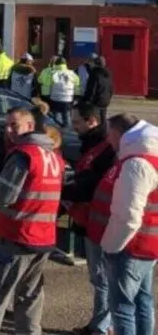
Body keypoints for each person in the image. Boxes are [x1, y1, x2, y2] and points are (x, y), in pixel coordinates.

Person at [0, 107, 63, 335]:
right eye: (7, 125)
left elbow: (5, 196)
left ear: (30, 126)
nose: (8, 130)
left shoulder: (23, 155)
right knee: (30, 297)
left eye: (14, 125)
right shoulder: (54, 157)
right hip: (43, 237)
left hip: (15, 236)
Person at [87, 114, 158, 335]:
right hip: (148, 244)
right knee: (143, 300)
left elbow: (128, 216)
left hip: (131, 246)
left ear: (118, 134)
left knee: (123, 308)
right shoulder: (152, 157)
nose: (108, 139)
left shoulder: (136, 164)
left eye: (110, 134)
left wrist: (110, 247)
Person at [61, 104, 115, 335]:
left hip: (100, 221)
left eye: (77, 122)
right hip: (89, 219)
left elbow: (94, 182)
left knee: (102, 277)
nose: (73, 128)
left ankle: (102, 327)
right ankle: (100, 323)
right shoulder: (92, 145)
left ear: (91, 121)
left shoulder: (105, 149)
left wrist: (68, 190)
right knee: (98, 277)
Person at [40, 56, 80, 128]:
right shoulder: (71, 73)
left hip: (55, 99)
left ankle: (55, 127)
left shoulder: (53, 73)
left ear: (56, 64)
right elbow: (77, 84)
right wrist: (76, 96)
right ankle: (66, 127)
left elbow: (46, 85)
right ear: (65, 64)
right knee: (66, 115)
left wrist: (46, 95)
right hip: (68, 100)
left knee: (54, 115)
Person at [79, 56, 113, 125]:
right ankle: (104, 131)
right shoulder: (108, 74)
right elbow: (111, 89)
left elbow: (91, 89)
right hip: (105, 101)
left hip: (96, 101)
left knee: (94, 120)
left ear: (95, 64)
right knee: (103, 119)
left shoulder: (94, 73)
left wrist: (86, 100)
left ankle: (95, 132)